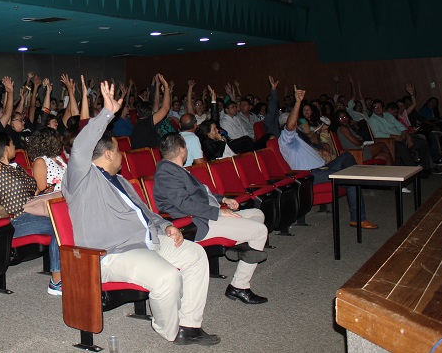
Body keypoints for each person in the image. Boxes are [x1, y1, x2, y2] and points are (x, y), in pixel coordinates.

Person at [63, 81, 219, 346]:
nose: (123, 154)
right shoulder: (81, 180)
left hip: (148, 241)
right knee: (167, 277)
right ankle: (168, 331)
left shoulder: (122, 181)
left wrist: (165, 226)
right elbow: (80, 149)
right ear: (109, 153)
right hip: (112, 255)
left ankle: (190, 324)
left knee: (195, 254)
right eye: (119, 150)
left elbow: (146, 213)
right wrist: (107, 113)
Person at [153, 133, 268, 305]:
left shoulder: (175, 169)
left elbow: (200, 192)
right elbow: (184, 204)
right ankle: (239, 286)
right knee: (260, 231)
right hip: (197, 222)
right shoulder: (166, 173)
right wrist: (219, 212)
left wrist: (223, 199)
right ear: (181, 150)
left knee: (257, 215)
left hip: (207, 214)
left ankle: (240, 246)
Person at [0, 81, 62, 295]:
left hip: (31, 213)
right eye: (11, 144)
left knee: (64, 221)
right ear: (3, 147)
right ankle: (57, 281)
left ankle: (64, 272)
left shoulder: (17, 168)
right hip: (14, 220)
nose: (15, 147)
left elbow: (32, 193)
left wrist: (44, 192)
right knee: (60, 226)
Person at [279, 85, 377, 229]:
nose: (297, 125)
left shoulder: (298, 137)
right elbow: (290, 124)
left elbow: (313, 142)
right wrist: (298, 102)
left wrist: (321, 150)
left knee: (347, 156)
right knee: (351, 179)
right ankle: (358, 218)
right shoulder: (285, 139)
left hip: (324, 166)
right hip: (311, 174)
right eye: (294, 124)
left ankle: (355, 182)